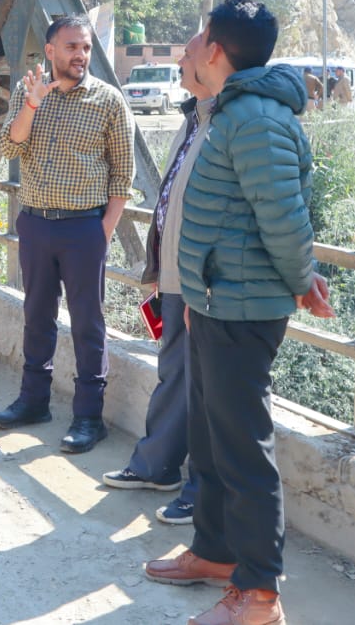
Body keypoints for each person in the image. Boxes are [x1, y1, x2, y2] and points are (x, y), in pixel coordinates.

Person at [144, 0, 334, 625]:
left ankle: (258, 595)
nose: (190, 49)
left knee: (243, 447)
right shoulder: (231, 112)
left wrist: (303, 276)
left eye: (198, 37)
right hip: (215, 301)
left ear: (217, 50)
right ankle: (216, 551)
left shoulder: (253, 118)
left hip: (243, 307)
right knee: (212, 435)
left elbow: (282, 216)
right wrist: (197, 295)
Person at [0, 15, 134, 455]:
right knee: (37, 316)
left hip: (83, 228)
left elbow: (122, 177)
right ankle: (34, 402)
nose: (80, 55)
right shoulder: (27, 92)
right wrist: (31, 104)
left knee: (88, 324)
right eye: (71, 46)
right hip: (35, 222)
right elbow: (10, 148)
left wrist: (102, 232)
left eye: (86, 47)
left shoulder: (108, 100)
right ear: (50, 51)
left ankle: (89, 417)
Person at [101, 39, 214, 525]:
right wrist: (158, 270)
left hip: (206, 283)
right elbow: (172, 198)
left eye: (186, 57)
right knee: (175, 373)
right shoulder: (193, 117)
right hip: (174, 274)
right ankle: (158, 465)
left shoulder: (231, 122)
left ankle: (203, 491)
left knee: (210, 387)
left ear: (212, 60)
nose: (179, 65)